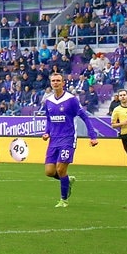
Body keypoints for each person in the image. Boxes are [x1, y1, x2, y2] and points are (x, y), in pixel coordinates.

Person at [42, 73, 98, 208]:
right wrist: (46, 132)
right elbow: (49, 119)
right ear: (50, 83)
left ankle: (64, 200)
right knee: (49, 172)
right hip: (53, 140)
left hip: (68, 138)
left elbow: (84, 117)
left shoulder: (71, 99)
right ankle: (67, 180)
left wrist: (93, 136)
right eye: (53, 81)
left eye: (58, 81)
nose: (55, 83)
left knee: (60, 169)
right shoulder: (48, 101)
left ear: (63, 83)